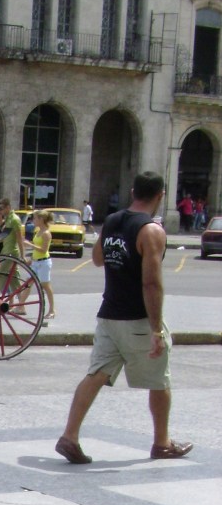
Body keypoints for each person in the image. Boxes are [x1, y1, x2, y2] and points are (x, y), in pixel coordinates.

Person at [55, 171, 192, 465]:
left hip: (108, 315)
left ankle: (69, 436)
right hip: (137, 319)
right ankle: (161, 443)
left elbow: (97, 259)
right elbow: (151, 283)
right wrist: (156, 330)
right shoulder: (151, 231)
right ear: (160, 196)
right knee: (159, 381)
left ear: (132, 192)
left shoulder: (114, 221)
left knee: (95, 375)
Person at [30, 209, 56, 322]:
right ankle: (20, 306)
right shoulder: (38, 231)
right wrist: (31, 259)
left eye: (35, 218)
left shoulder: (46, 233)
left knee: (46, 286)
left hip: (44, 262)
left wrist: (29, 245)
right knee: (28, 283)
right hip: (36, 261)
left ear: (41, 219)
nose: (33, 220)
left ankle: (52, 310)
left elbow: (43, 249)